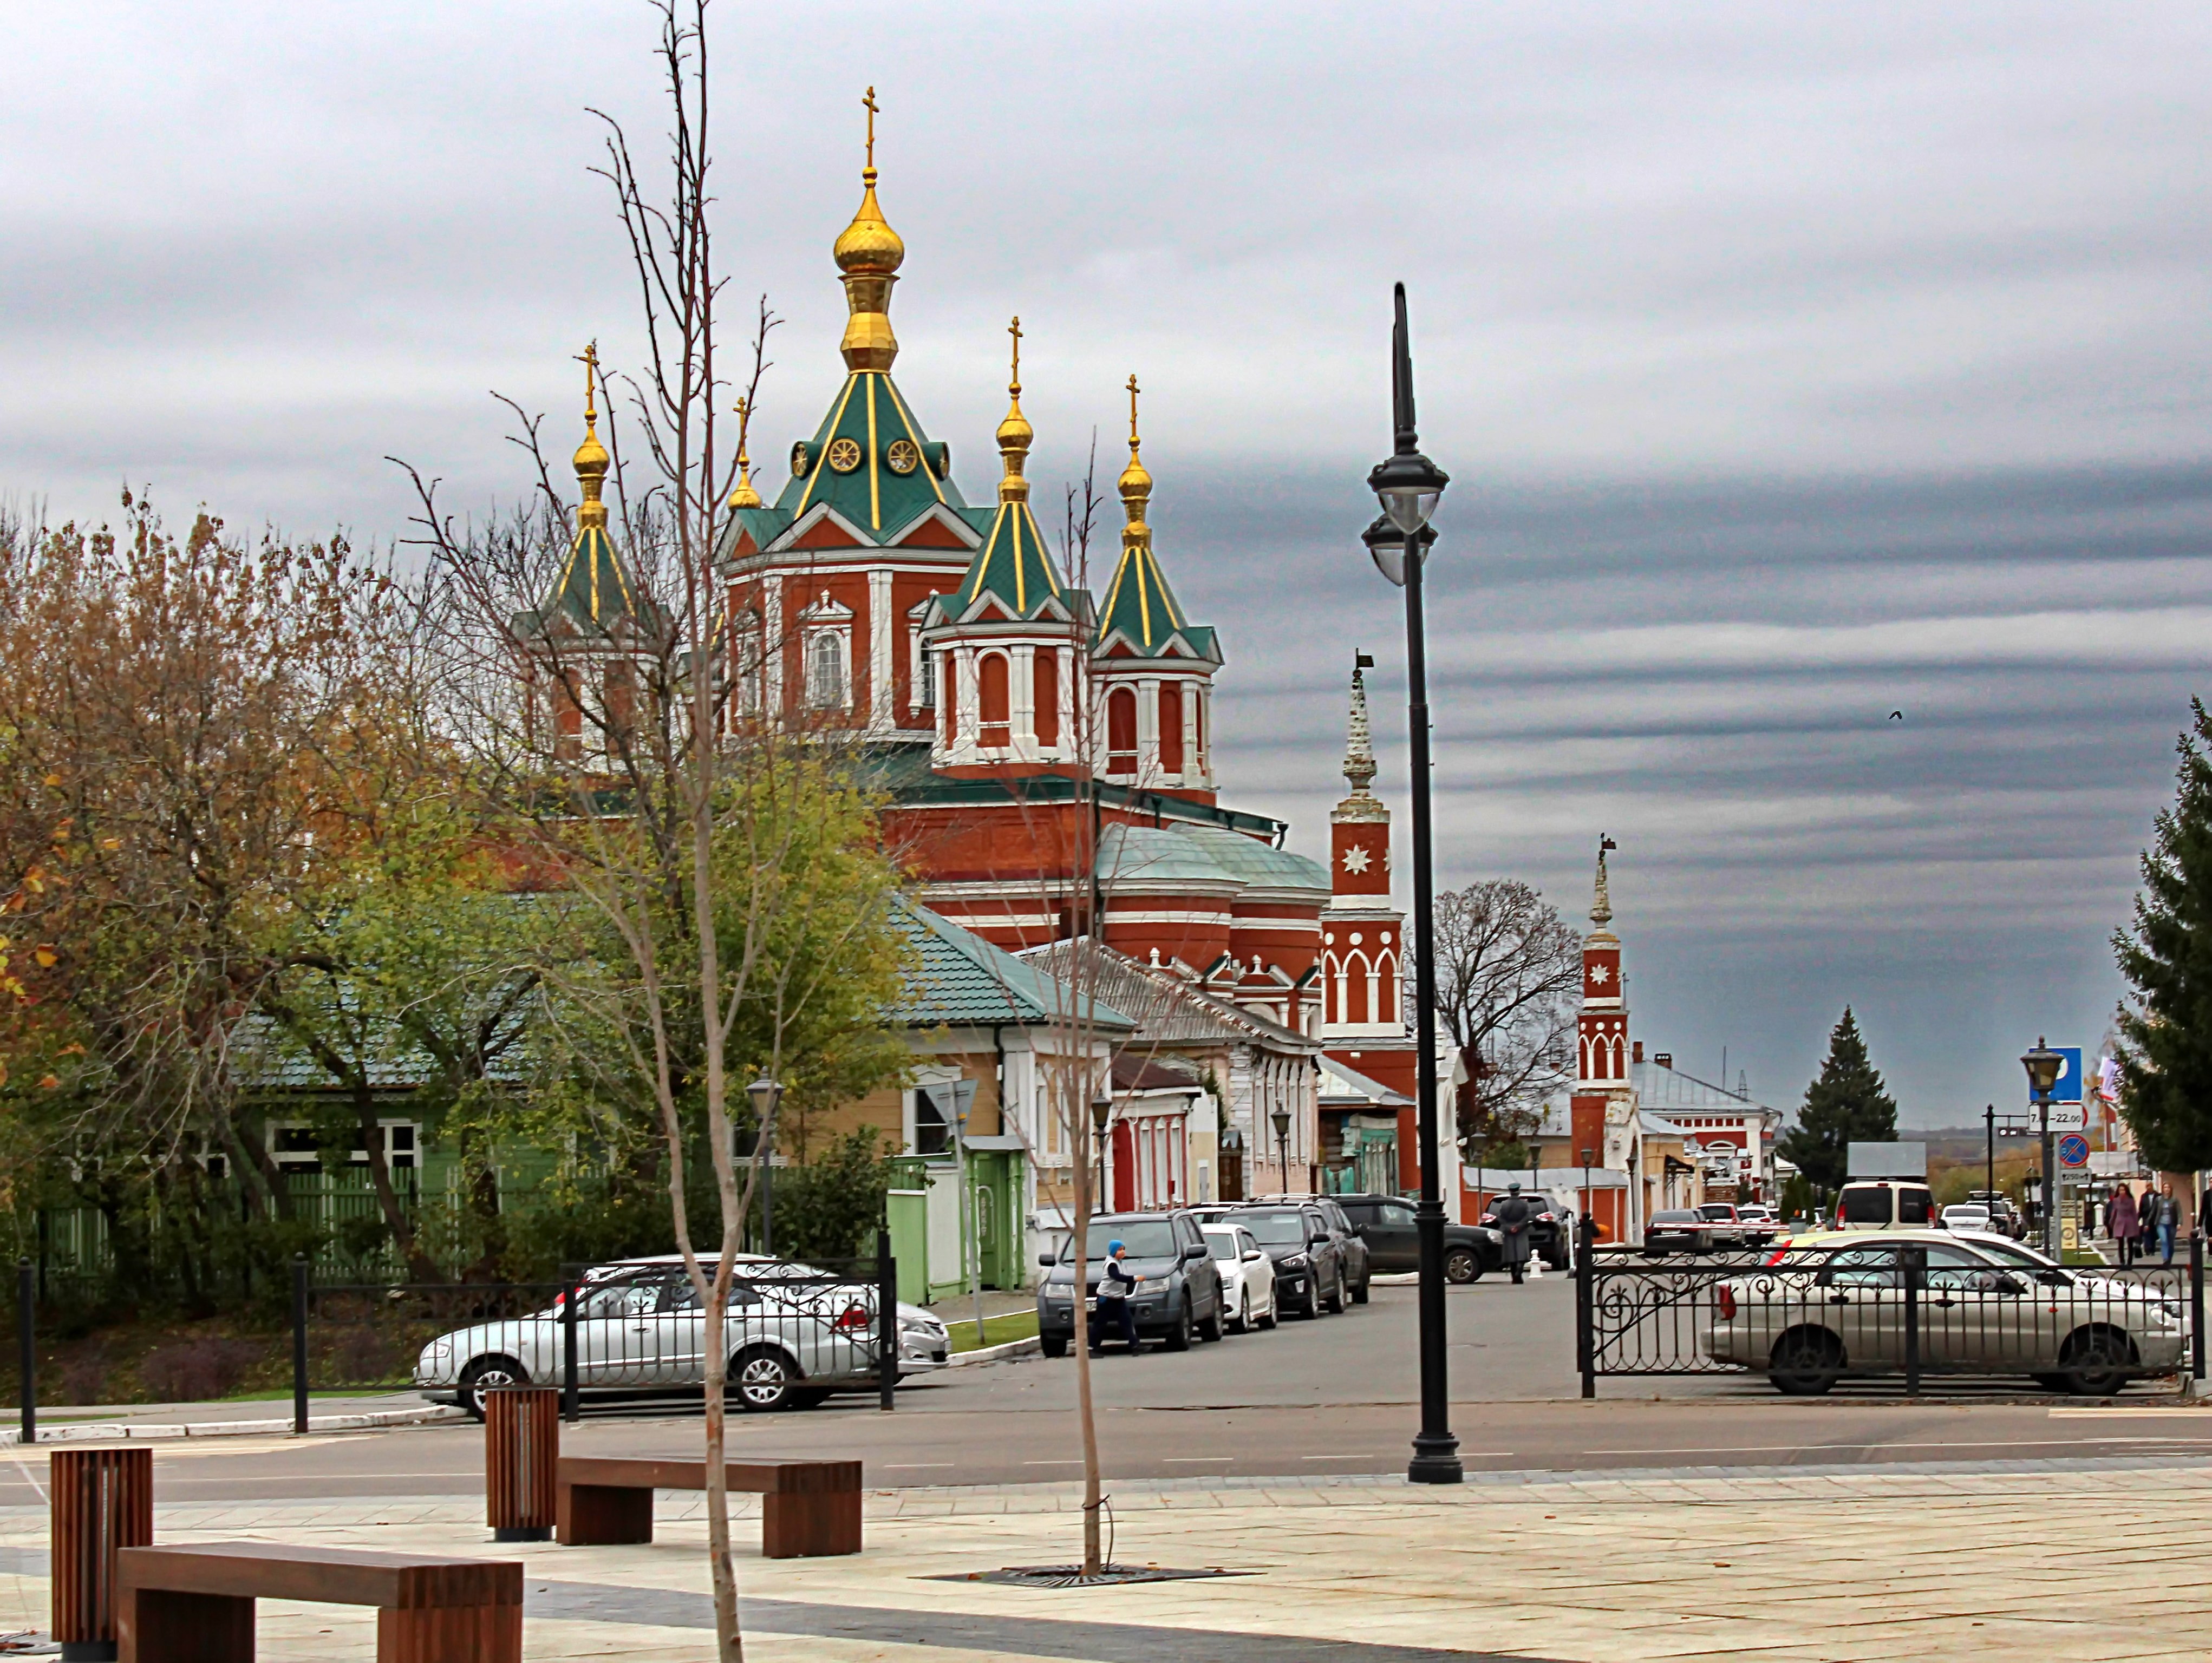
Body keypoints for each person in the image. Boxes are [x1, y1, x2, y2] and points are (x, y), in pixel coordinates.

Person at [1090, 1239, 1138, 1354]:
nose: (1123, 1252)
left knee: (1127, 1320)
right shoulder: (1111, 1264)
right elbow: (1117, 1277)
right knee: (1100, 1323)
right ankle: (1092, 1348)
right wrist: (1134, 1278)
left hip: (1118, 1299)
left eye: (1123, 1249)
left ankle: (1135, 1345)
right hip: (1106, 1298)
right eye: (1120, 1250)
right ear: (1113, 1252)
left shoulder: (1120, 1262)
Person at [1494, 1182, 1534, 1286]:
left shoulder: (1504, 1204)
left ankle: (1514, 1277)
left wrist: (1509, 1227)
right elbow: (1528, 1217)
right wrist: (1518, 1226)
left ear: (1510, 1192)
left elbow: (1500, 1218)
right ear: (1519, 1192)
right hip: (1521, 1231)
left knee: (1511, 1255)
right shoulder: (1524, 1204)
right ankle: (1519, 1272)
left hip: (1508, 1231)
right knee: (1522, 1254)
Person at [2110, 1182, 2139, 1268]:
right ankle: (2122, 1262)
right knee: (2121, 1243)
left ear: (2126, 1191)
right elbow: (2114, 1212)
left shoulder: (2130, 1200)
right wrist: (2111, 1222)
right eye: (2120, 1190)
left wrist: (2136, 1225)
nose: (2122, 1192)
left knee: (2130, 1243)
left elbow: (2134, 1212)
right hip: (2119, 1222)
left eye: (2123, 1190)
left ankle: (2130, 1263)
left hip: (2129, 1222)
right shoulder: (2116, 1200)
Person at [2157, 1181, 2179, 1265]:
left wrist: (2179, 1223)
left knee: (2171, 1243)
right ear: (2163, 1189)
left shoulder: (2174, 1200)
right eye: (2165, 1188)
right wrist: (2148, 1223)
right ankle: (2165, 1258)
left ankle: (2169, 1259)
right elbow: (2153, 1212)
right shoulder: (2159, 1200)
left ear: (2171, 1190)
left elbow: (2179, 1213)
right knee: (2164, 1240)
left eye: (2168, 1188)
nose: (2167, 1189)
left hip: (2172, 1224)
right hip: (2161, 1224)